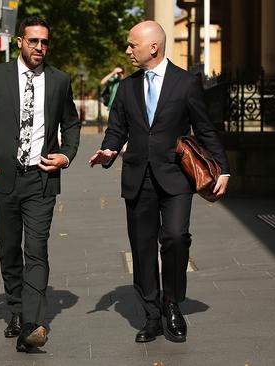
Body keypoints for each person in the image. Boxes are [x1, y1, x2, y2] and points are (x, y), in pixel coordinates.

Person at [89, 21, 230, 344]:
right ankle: (151, 315)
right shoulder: (126, 88)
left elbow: (205, 129)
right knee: (142, 248)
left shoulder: (186, 84)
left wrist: (222, 168)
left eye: (131, 45)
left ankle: (172, 303)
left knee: (176, 237)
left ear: (153, 47)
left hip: (176, 176)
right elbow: (117, 128)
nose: (127, 51)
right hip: (138, 178)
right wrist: (109, 150)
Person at [0, 16, 81, 352]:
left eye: (45, 42)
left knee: (37, 249)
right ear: (20, 42)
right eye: (34, 41)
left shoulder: (60, 81)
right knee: (9, 248)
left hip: (41, 178)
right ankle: (16, 308)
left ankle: (33, 323)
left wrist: (66, 156)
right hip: (2, 177)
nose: (40, 48)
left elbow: (71, 125)